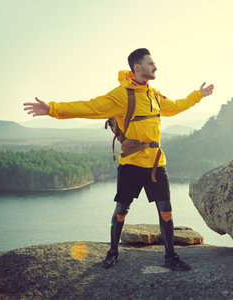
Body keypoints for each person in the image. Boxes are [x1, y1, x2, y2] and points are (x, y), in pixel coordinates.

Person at [23, 48, 214, 271]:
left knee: (166, 210)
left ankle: (171, 257)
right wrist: (52, 109)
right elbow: (90, 107)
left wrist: (198, 95)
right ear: (137, 67)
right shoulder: (122, 95)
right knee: (122, 209)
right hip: (131, 164)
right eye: (150, 63)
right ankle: (113, 251)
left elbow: (177, 106)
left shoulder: (154, 95)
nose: (155, 66)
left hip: (155, 164)